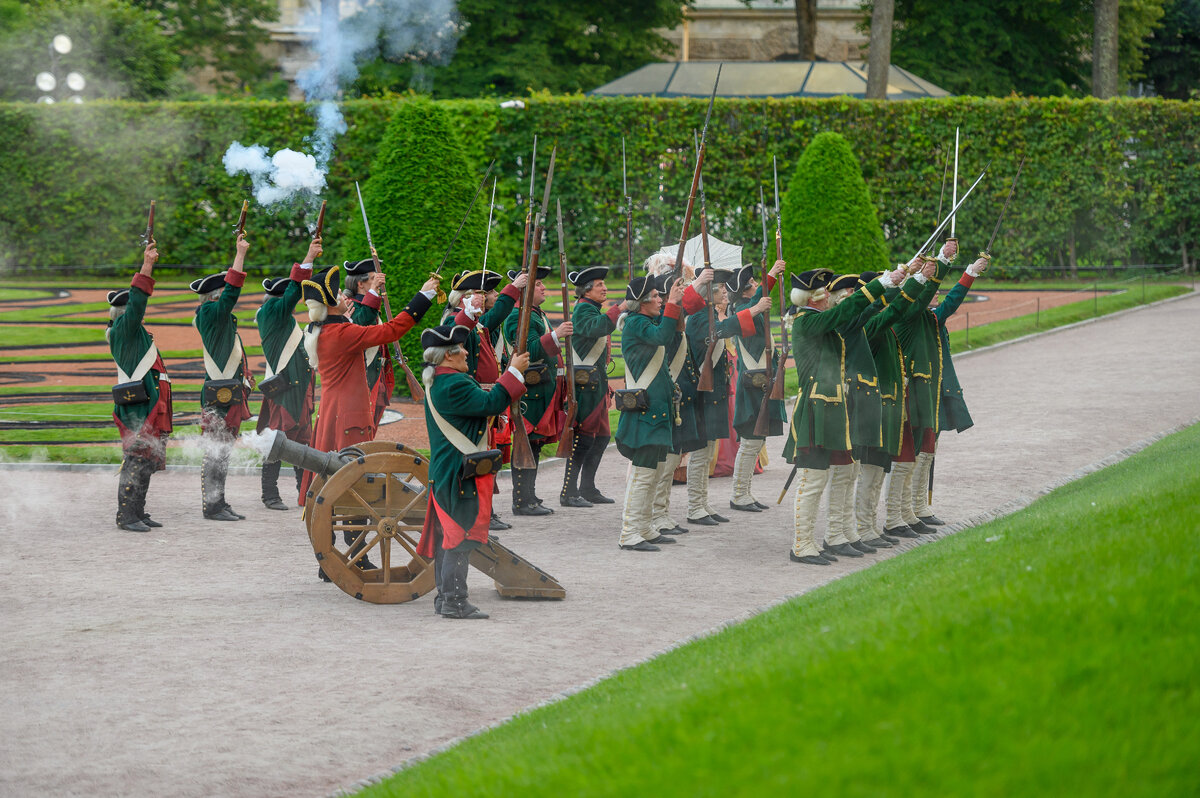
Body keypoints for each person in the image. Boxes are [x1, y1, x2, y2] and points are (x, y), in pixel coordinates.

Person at [295, 259, 439, 581]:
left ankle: (328, 558)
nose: (346, 297)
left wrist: (373, 293)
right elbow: (392, 330)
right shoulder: (341, 332)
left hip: (332, 413)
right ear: (332, 303)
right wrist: (423, 297)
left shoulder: (320, 330)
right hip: (350, 415)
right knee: (356, 487)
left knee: (332, 485)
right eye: (339, 295)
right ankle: (354, 559)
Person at [783, 266, 905, 565]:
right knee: (812, 481)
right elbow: (844, 312)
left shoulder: (819, 321)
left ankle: (822, 539)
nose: (830, 300)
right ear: (815, 298)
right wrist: (882, 284)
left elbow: (853, 314)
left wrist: (888, 286)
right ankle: (802, 545)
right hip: (814, 410)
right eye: (825, 295)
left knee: (829, 478)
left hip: (833, 409)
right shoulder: (807, 322)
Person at [415, 324, 530, 620]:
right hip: (458, 474)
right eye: (461, 349)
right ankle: (454, 601)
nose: (467, 352)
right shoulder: (455, 384)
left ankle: (445, 598)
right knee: (460, 538)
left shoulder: (442, 380)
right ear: (449, 356)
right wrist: (513, 372)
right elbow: (491, 403)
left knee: (448, 538)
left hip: (447, 471)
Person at [681, 265, 775, 526]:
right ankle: (694, 506)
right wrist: (754, 310)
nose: (725, 291)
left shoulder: (709, 312)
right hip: (703, 395)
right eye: (721, 288)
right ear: (708, 293)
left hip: (714, 394)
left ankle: (702, 503)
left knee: (708, 452)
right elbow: (721, 331)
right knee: (701, 454)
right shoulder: (701, 316)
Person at [853, 258, 938, 547]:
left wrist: (914, 278)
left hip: (888, 406)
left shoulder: (881, 324)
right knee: (868, 473)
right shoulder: (871, 324)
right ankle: (862, 527)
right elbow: (894, 307)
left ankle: (869, 527)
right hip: (874, 408)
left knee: (877, 473)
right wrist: (910, 279)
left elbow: (895, 306)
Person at [886, 240, 958, 536]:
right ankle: (895, 517)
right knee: (903, 461)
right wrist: (936, 267)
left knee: (922, 455)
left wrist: (943, 264)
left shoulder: (923, 314)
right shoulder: (906, 313)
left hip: (926, 392)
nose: (932, 293)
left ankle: (913, 511)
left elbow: (939, 298)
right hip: (908, 395)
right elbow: (921, 294)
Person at [445, 268, 526, 529]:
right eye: (482, 293)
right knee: (477, 458)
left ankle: (485, 512)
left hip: (486, 399)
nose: (487, 297)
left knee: (486, 456)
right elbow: (454, 333)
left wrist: (514, 289)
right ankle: (478, 514)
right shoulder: (455, 322)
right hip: (475, 399)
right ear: (464, 299)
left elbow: (499, 311)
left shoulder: (477, 324)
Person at [914, 252, 988, 524]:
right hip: (922, 394)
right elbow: (953, 302)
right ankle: (911, 508)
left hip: (935, 391)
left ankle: (919, 506)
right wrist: (970, 272)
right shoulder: (922, 317)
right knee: (918, 454)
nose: (937, 294)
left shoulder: (930, 316)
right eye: (932, 290)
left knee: (928, 453)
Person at [614, 273, 686, 552]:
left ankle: (644, 527)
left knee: (653, 472)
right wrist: (674, 304)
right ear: (642, 302)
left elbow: (669, 329)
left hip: (656, 411)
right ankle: (629, 531)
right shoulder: (637, 324)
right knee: (643, 474)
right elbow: (662, 335)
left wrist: (677, 302)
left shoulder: (645, 320)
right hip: (646, 412)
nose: (660, 299)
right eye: (656, 296)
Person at [108, 240, 172, 532]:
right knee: (136, 458)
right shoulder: (124, 329)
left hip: (146, 404)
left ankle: (138, 511)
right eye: (133, 309)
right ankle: (126, 516)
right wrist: (147, 265)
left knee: (145, 460)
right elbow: (139, 299)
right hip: (137, 407)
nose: (140, 313)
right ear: (126, 312)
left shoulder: (130, 332)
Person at [501, 265, 572, 516]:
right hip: (530, 393)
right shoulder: (518, 316)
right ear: (526, 290)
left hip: (541, 390)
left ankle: (529, 494)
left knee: (536, 444)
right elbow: (528, 347)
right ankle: (521, 500)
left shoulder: (533, 313)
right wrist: (555, 335)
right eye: (538, 284)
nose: (543, 287)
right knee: (527, 443)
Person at [254, 239, 319, 510]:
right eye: (288, 298)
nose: (293, 301)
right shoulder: (271, 313)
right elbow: (294, 293)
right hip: (284, 394)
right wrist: (308, 257)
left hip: (297, 393)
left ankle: (303, 494)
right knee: (277, 443)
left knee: (303, 445)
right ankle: (270, 495)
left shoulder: (284, 321)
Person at [192, 233, 252, 521]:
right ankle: (213, 506)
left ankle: (219, 501)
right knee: (216, 450)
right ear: (215, 297)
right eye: (222, 293)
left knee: (223, 449)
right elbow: (233, 292)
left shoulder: (215, 315)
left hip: (225, 390)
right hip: (219, 393)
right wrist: (239, 254)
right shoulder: (211, 313)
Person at [726, 259, 788, 512]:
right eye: (752, 284)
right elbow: (753, 305)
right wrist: (771, 275)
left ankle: (744, 493)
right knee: (750, 443)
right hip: (752, 387)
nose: (755, 287)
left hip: (760, 384)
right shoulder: (744, 311)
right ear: (743, 293)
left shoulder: (748, 308)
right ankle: (739, 495)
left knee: (755, 442)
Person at [558, 265, 622, 507]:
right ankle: (569, 492)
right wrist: (621, 308)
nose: (604, 288)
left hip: (596, 383)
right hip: (585, 387)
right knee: (583, 438)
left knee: (602, 437)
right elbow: (599, 327)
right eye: (599, 285)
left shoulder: (591, 308)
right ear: (586, 291)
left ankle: (587, 487)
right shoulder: (584, 310)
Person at [343, 257, 396, 437]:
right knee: (360, 429)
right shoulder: (351, 306)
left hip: (376, 376)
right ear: (360, 284)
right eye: (373, 278)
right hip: (361, 379)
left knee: (370, 428)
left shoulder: (368, 306)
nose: (378, 282)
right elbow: (360, 325)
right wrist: (374, 291)